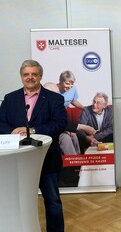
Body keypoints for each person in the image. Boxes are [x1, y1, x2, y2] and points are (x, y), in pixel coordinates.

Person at [0, 59, 67, 232]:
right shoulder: (10, 98)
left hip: (46, 159)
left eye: (34, 74)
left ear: (40, 76)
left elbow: (60, 124)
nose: (30, 77)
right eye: (26, 74)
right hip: (16, 160)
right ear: (21, 77)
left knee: (52, 201)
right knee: (16, 200)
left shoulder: (55, 99)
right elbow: (0, 123)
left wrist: (33, 130)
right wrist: (14, 130)